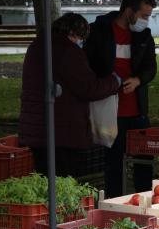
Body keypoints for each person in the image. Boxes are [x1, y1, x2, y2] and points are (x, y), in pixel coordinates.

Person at [19, 13, 121, 176]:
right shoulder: (68, 51)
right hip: (61, 131)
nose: (81, 42)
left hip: (35, 126)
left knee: (44, 177)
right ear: (73, 33)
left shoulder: (37, 46)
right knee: (61, 179)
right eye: (81, 38)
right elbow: (88, 88)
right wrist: (114, 81)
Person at [85, 0, 157, 198]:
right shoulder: (99, 31)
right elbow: (87, 65)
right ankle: (114, 203)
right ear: (128, 11)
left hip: (137, 111)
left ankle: (145, 202)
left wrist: (138, 80)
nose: (146, 20)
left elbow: (151, 67)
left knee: (144, 162)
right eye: (143, 15)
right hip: (109, 111)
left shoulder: (144, 35)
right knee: (113, 163)